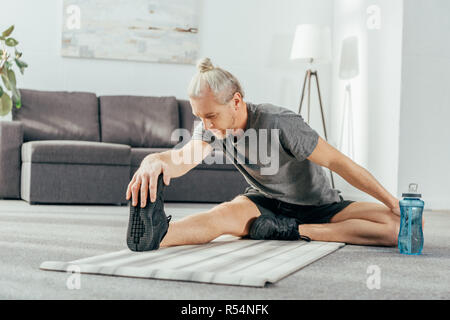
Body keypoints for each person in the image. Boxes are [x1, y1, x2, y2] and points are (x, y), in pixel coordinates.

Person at [125, 57, 410, 251]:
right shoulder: (211, 129)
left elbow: (339, 162)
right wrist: (153, 161)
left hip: (319, 206)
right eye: (200, 117)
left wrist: (390, 201)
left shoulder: (280, 122)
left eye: (211, 115)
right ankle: (160, 234)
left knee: (399, 228)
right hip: (265, 205)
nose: (206, 125)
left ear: (236, 101)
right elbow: (182, 160)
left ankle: (295, 230)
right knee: (223, 215)